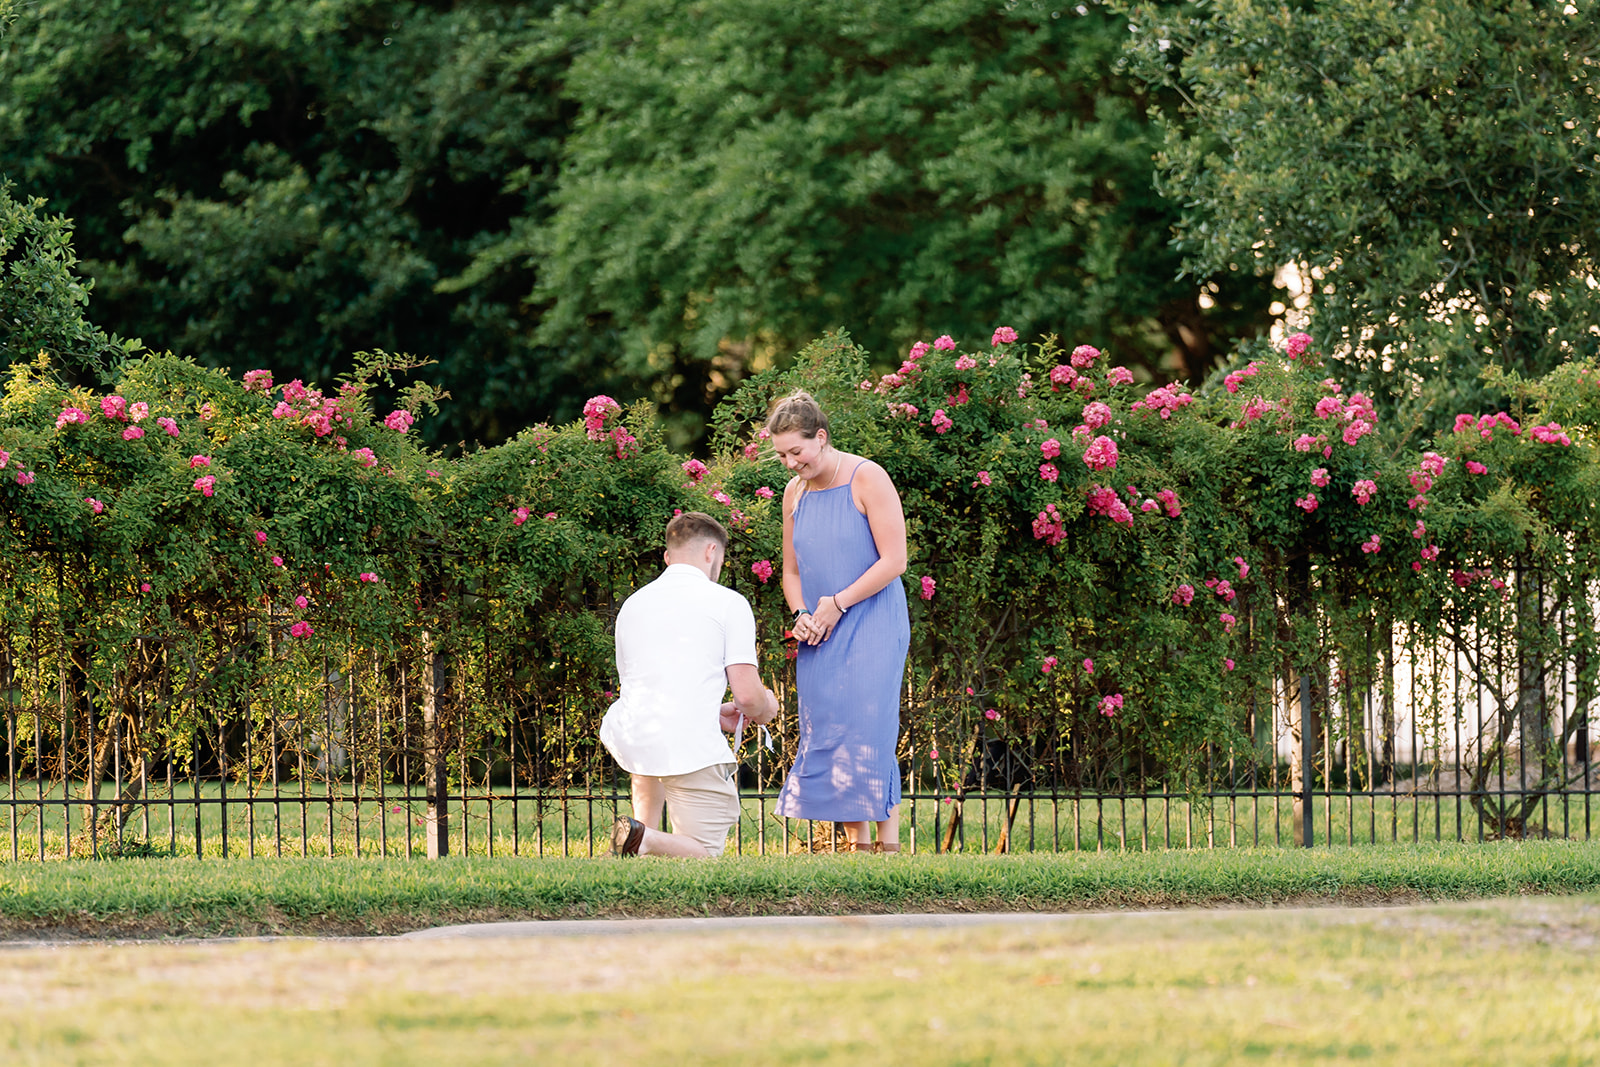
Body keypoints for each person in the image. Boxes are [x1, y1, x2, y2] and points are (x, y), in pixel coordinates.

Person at [768, 392, 909, 852]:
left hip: (873, 623)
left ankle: (889, 850)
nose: (790, 463)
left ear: (821, 438)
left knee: (868, 727)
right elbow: (791, 571)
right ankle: (859, 848)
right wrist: (802, 613)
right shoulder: (794, 493)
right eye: (781, 455)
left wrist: (838, 602)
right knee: (828, 727)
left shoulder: (867, 477)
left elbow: (895, 560)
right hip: (819, 631)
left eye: (796, 451)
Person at [602, 511, 780, 858]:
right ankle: (644, 839)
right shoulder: (728, 602)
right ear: (712, 552)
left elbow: (650, 685)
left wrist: (711, 712)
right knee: (705, 853)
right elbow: (747, 695)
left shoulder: (633, 605)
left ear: (668, 557)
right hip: (686, 745)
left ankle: (638, 841)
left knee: (651, 769)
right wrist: (766, 708)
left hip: (634, 736)